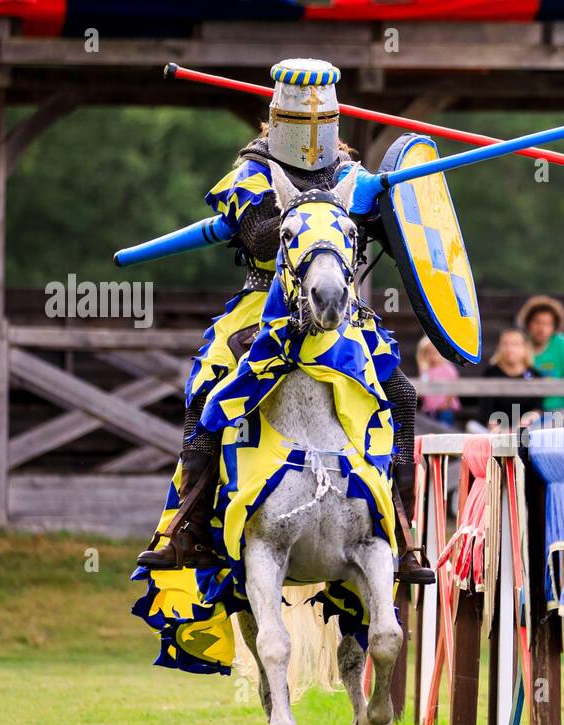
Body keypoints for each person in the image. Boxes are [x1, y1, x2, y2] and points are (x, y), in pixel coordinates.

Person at [135, 58, 434, 585]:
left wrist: (386, 205)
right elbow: (258, 237)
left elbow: (400, 241)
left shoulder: (351, 175)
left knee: (403, 395)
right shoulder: (249, 175)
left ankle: (402, 535)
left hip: (339, 313)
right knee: (207, 392)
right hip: (265, 306)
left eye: (324, 124)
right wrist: (329, 205)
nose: (314, 136)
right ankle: (191, 526)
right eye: (304, 125)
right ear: (277, 122)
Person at [517, 295, 564, 414]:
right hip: (525, 411)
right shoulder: (518, 344)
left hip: (559, 411)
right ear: (528, 323)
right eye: (537, 322)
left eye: (547, 324)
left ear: (554, 327)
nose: (541, 329)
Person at [478, 328, 543, 432]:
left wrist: (520, 427)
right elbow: (486, 409)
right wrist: (498, 430)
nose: (509, 348)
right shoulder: (490, 374)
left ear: (525, 347)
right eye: (505, 344)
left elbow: (537, 409)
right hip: (495, 431)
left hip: (526, 430)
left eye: (515, 344)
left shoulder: (535, 375)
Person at [417, 336, 461, 427]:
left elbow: (453, 386)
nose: (432, 355)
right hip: (430, 409)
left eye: (434, 352)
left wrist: (446, 404)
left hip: (445, 408)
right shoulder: (425, 370)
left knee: (444, 427)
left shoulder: (447, 368)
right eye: (428, 352)